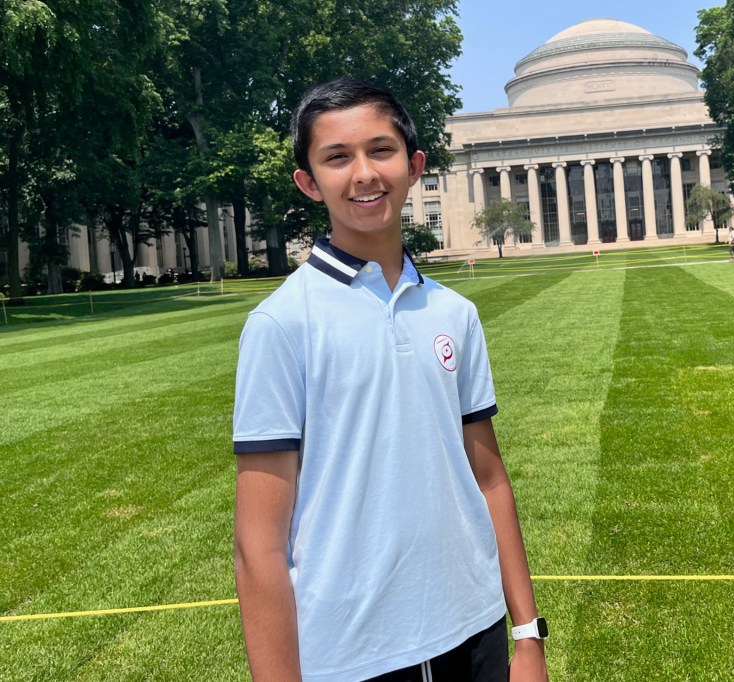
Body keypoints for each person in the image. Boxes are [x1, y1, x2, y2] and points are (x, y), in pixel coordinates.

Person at [232, 76, 549, 682]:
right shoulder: (280, 324)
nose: (364, 174)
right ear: (308, 181)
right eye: (336, 157)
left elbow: (489, 480)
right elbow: (258, 548)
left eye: (381, 150)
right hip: (353, 656)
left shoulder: (454, 314)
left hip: (473, 631)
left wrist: (527, 635)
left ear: (415, 166)